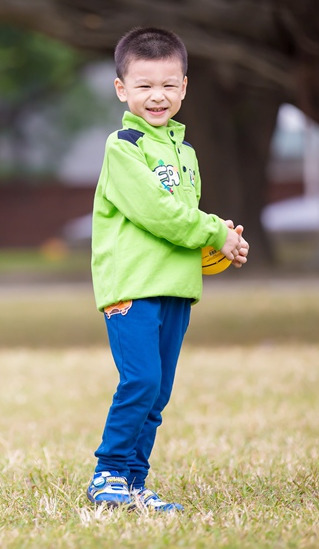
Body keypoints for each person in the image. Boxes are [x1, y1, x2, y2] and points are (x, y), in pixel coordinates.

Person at [86, 27, 248, 513]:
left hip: (176, 287)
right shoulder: (124, 147)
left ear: (184, 87)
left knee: (158, 393)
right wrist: (213, 229)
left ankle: (134, 483)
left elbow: (183, 224)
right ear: (122, 89)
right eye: (143, 85)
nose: (157, 96)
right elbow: (160, 214)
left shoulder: (186, 152)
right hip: (132, 287)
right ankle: (107, 474)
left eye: (168, 84)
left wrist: (223, 241)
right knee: (140, 381)